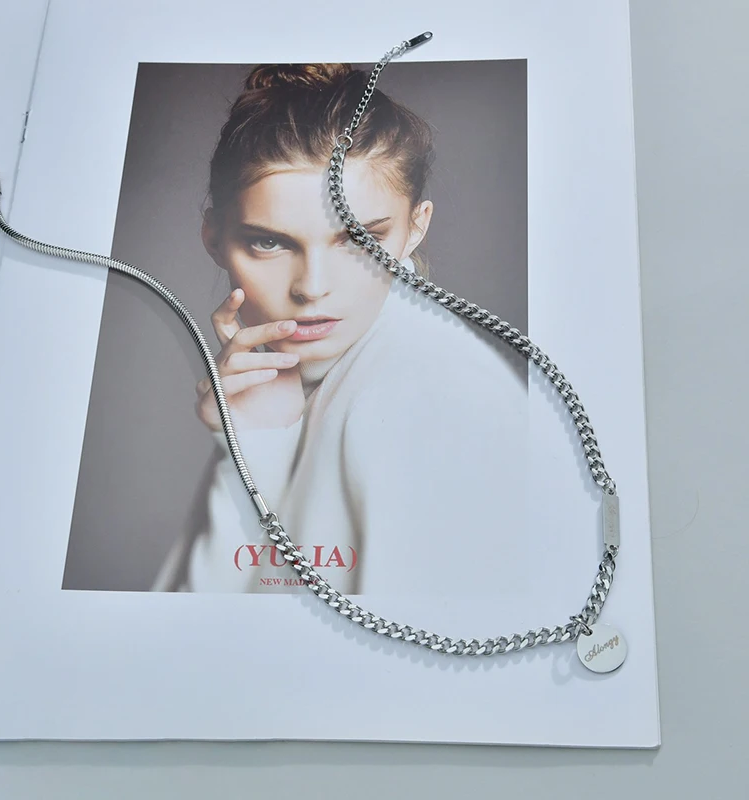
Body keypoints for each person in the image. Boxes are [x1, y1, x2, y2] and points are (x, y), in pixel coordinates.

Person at [153, 62, 528, 595]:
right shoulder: (300, 384)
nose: (312, 288)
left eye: (359, 240)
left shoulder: (428, 398)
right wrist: (253, 444)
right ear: (213, 238)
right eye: (269, 242)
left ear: (416, 226)